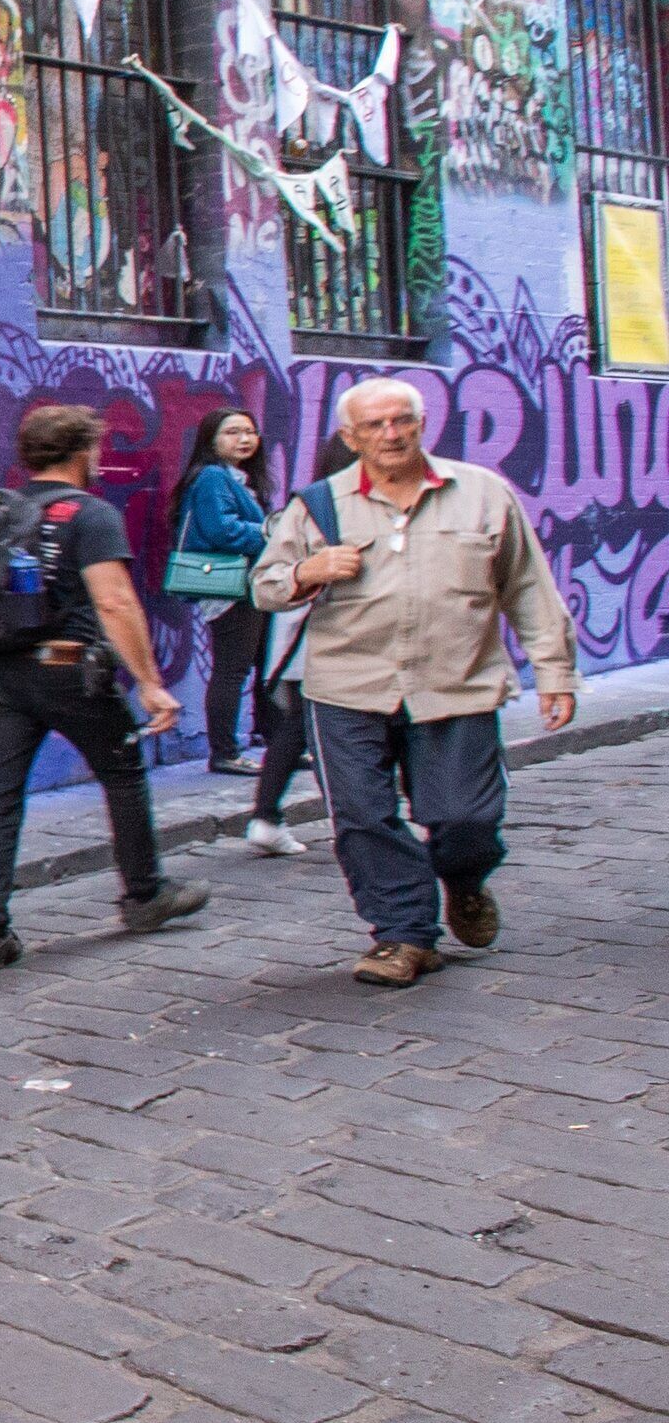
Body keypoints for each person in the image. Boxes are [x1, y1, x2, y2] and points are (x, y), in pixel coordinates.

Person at [250, 377, 578, 986]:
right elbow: (264, 586)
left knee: (465, 821)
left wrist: (555, 672)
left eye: (402, 420)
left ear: (423, 424)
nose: (391, 434)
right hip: (347, 687)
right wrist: (308, 570)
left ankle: (464, 878)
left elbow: (528, 587)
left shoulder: (482, 493)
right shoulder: (318, 504)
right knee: (362, 817)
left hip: (457, 683)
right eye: (374, 425)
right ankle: (403, 935)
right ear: (351, 437)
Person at [0, 404, 212, 970]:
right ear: (82, 453)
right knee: (122, 774)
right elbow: (115, 600)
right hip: (70, 669)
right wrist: (149, 682)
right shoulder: (89, 513)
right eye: (96, 449)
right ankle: (145, 895)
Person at [240, 431, 359, 857]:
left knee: (295, 733)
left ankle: (267, 817)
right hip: (326, 640)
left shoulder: (305, 505)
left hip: (297, 638)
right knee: (335, 736)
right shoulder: (336, 509)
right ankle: (352, 823)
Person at [171, 407, 277, 777]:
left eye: (249, 432)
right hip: (229, 584)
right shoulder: (213, 477)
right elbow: (222, 531)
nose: (244, 439)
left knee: (257, 664)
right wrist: (269, 533)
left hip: (248, 582)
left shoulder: (237, 478)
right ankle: (224, 752)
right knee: (232, 670)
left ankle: (274, 741)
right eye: (233, 432)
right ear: (211, 440)